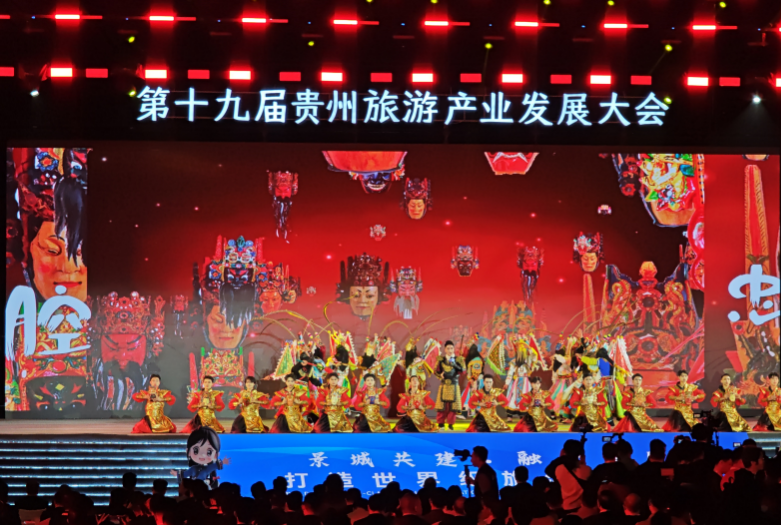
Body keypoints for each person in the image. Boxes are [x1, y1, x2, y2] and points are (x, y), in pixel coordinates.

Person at [434, 340, 465, 430]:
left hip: (454, 385)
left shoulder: (458, 359)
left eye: (451, 348)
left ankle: (451, 424)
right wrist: (440, 375)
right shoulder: (441, 360)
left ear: (454, 349)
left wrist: (455, 364)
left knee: (453, 406)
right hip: (444, 385)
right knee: (442, 406)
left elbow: (463, 371)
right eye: (448, 348)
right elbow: (436, 371)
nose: (450, 350)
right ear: (445, 349)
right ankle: (441, 424)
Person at [461, 343, 484, 419]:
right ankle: (473, 412)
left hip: (475, 380)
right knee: (475, 395)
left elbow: (472, 372)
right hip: (478, 380)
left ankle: (472, 412)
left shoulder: (473, 361)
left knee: (472, 395)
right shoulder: (479, 360)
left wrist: (472, 379)